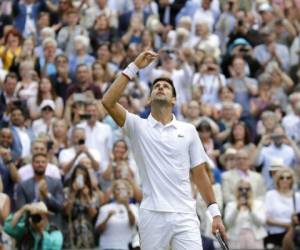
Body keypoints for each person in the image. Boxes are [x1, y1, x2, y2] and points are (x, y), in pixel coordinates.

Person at [102, 50, 226, 250]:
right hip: (152, 214)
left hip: (185, 214)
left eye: (166, 86)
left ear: (174, 100)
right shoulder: (137, 126)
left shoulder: (188, 130)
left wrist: (215, 214)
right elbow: (107, 102)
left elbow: (200, 175)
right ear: (149, 99)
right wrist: (134, 66)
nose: (160, 87)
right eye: (156, 86)